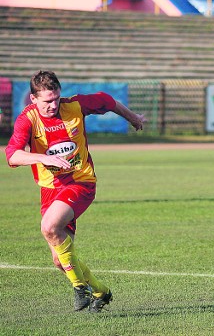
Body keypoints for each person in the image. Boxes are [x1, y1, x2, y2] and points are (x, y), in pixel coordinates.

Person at [5, 71, 146, 313]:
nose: (52, 105)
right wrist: (41, 157)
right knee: (61, 261)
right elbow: (12, 154)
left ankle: (79, 288)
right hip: (50, 190)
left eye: (56, 99)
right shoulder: (27, 120)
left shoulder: (76, 106)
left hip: (81, 182)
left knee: (49, 227)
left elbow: (108, 100)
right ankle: (101, 291)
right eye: (47, 101)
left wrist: (132, 117)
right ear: (32, 99)